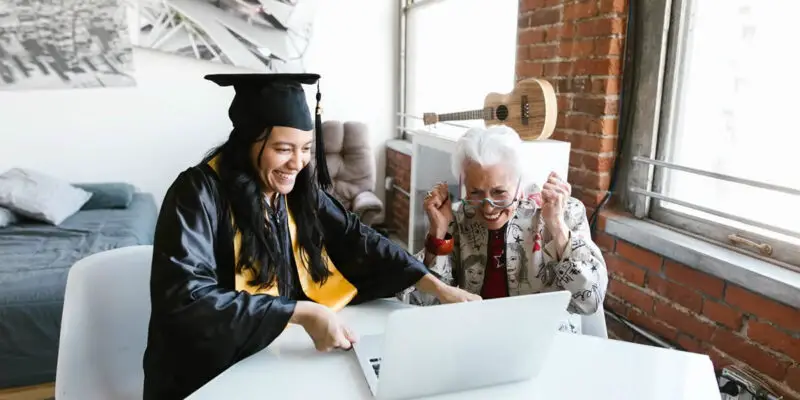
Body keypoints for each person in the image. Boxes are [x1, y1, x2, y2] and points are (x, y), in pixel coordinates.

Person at [142, 73, 479, 400]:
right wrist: (301, 312)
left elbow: (358, 238)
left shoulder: (296, 191)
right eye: (284, 148)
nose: (298, 163)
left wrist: (438, 286)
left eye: (305, 148)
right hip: (212, 375)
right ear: (247, 142)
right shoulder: (196, 195)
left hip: (280, 357)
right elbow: (188, 301)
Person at [399, 125, 608, 333]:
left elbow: (589, 301)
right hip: (475, 339)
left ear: (520, 183)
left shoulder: (565, 211)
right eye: (476, 192)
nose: (488, 207)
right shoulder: (460, 216)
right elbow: (423, 303)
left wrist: (558, 228)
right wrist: (438, 232)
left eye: (499, 192)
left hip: (546, 343)